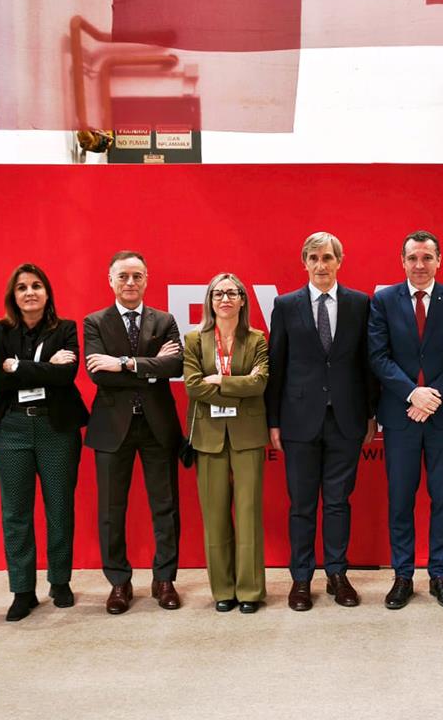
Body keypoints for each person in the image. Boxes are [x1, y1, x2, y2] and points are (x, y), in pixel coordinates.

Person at [265, 233, 377, 611]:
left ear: (339, 261)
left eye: (327, 257)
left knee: (337, 502)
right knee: (301, 505)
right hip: (298, 422)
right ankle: (301, 579)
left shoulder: (360, 303)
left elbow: (368, 365)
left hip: (346, 419)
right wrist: (273, 420)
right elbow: (277, 364)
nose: (320, 265)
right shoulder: (285, 304)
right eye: (313, 258)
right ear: (304, 262)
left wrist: (371, 414)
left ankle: (336, 574)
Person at [0, 263, 89, 621]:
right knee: (16, 513)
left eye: (37, 286)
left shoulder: (66, 329)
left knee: (59, 508)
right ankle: (22, 590)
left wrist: (18, 367)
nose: (30, 292)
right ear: (14, 295)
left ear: (47, 293)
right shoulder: (1, 330)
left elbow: (67, 374)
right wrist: (41, 369)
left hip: (56, 429)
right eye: (22, 287)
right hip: (11, 430)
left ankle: (59, 582)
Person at [368, 231, 443, 609]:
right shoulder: (383, 300)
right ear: (402, 261)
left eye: (427, 257)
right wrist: (413, 394)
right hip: (401, 416)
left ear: (439, 261)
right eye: (413, 257)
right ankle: (403, 576)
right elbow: (378, 357)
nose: (419, 265)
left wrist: (433, 397)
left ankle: (440, 576)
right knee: (401, 499)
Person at [83, 250, 185, 615]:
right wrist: (149, 366)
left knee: (166, 505)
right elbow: (97, 373)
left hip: (158, 426)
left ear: (147, 280)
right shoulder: (94, 322)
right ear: (110, 280)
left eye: (137, 276)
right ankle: (119, 582)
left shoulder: (164, 320)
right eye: (123, 276)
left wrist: (124, 363)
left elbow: (175, 365)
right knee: (112, 509)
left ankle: (164, 579)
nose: (130, 283)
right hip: (112, 429)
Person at [184, 273, 270, 613]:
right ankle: (223, 589)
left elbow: (260, 382)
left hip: (247, 435)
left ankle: (249, 592)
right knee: (215, 514)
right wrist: (238, 390)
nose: (225, 299)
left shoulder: (257, 338)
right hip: (208, 437)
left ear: (243, 300)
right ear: (209, 300)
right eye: (218, 293)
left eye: (232, 293)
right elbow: (192, 385)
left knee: (249, 513)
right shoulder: (194, 339)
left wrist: (220, 380)